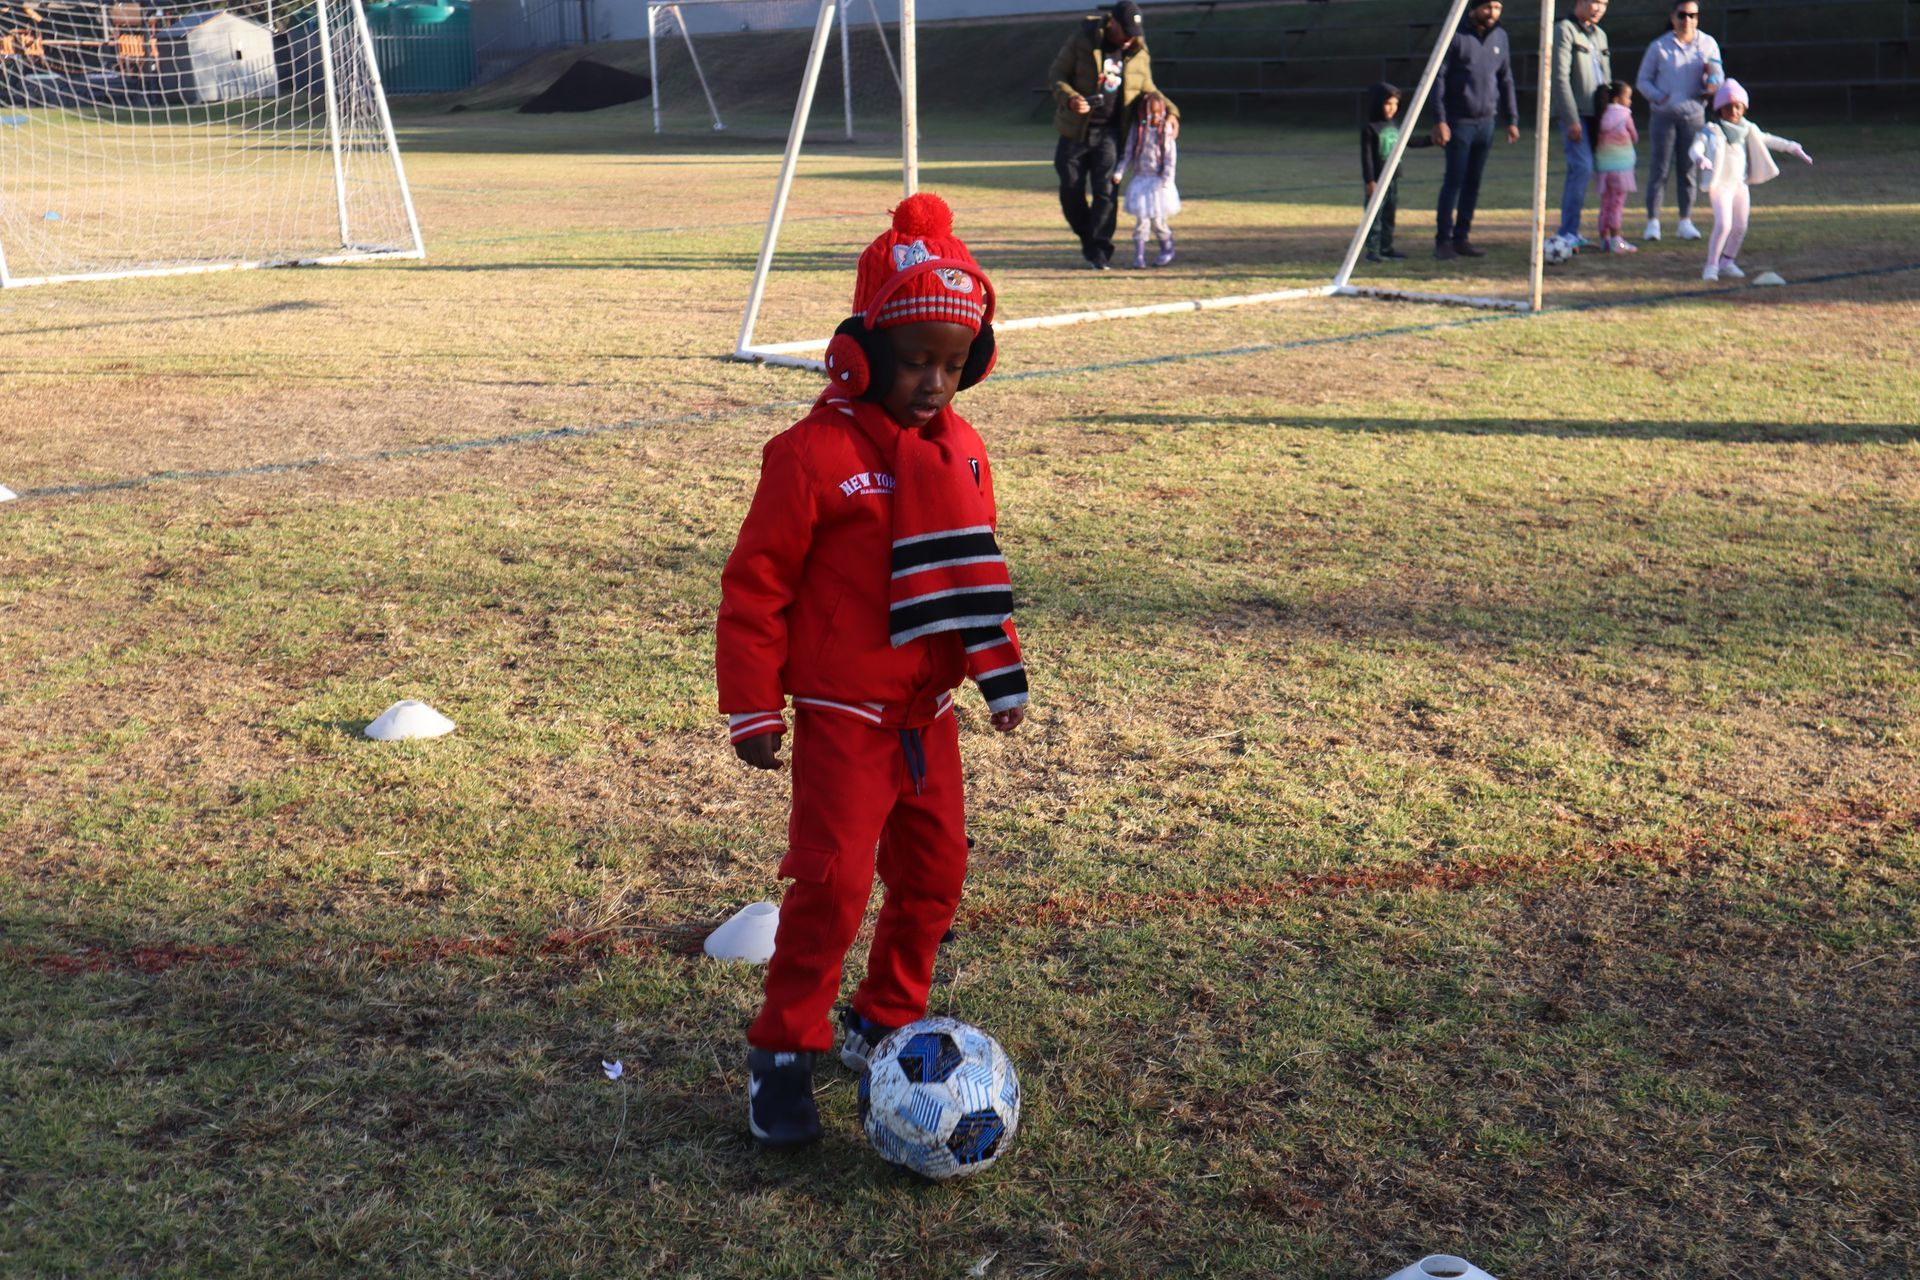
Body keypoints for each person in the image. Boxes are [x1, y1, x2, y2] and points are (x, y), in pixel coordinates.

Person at [717, 192, 1030, 1147]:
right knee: (834, 886)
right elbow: (756, 585)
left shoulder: (963, 451)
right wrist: (752, 705)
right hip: (844, 717)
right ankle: (783, 1051)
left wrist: (992, 669)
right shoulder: (811, 455)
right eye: (913, 361)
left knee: (935, 879)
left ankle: (886, 1019)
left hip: (926, 718)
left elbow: (970, 571)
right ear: (861, 350)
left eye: (952, 362)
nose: (934, 382)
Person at [1048, 0, 1178, 270]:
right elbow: (1057, 75)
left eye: (1135, 33)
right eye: (1126, 31)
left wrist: (1172, 112)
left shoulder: (1138, 51)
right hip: (1076, 130)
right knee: (1070, 187)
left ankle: (1100, 250)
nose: (1130, 38)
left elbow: (1149, 88)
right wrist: (1071, 99)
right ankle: (1088, 237)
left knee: (1106, 191)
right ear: (1113, 23)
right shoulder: (1083, 39)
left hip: (1112, 133)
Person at [1688, 79, 1811, 281]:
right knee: (1723, 224)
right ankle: (1711, 265)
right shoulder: (1712, 130)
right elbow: (1695, 148)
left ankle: (1727, 261)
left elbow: (1769, 139)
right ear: (1720, 109)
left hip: (1739, 184)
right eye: (1729, 107)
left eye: (1738, 107)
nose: (1734, 111)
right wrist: (1700, 158)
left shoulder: (1748, 129)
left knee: (1740, 226)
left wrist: (1793, 147)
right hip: (1721, 186)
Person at [1431, 0, 1520, 261]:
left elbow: (1506, 78)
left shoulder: (1501, 37)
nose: (1493, 13)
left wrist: (1512, 118)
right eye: (1488, 7)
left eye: (1498, 8)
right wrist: (1440, 119)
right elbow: (1438, 78)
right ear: (1473, 8)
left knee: (1473, 183)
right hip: (1459, 122)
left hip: (1487, 122)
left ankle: (1462, 238)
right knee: (1454, 181)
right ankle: (1443, 241)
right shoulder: (1455, 35)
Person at [1636, 0, 1724, 241]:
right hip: (1663, 117)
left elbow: (1718, 75)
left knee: (1688, 169)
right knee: (1659, 168)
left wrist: (1712, 85)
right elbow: (1643, 80)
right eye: (1683, 15)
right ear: (1673, 17)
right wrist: (1659, 98)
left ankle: (1685, 220)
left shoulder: (1708, 44)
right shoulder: (1659, 47)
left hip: (1694, 116)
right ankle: (1653, 222)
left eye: (1693, 16)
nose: (1688, 21)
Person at [1551, 0, 1611, 247]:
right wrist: (1571, 118)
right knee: (1582, 167)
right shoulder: (1565, 29)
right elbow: (1559, 78)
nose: (1598, 8)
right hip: (1577, 115)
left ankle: (1584, 231)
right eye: (1594, 1)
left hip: (1600, 116)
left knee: (1590, 172)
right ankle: (1567, 232)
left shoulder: (1600, 35)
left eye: (1604, 3)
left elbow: (1605, 78)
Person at [1359, 81, 1434, 263]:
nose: (1392, 108)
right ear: (1378, 103)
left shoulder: (1394, 125)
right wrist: (1370, 181)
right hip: (1377, 180)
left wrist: (1432, 140)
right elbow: (1367, 157)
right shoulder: (1370, 128)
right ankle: (1373, 251)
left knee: (1389, 214)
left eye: (1395, 104)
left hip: (1392, 179)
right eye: (1388, 103)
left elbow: (1410, 142)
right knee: (1374, 216)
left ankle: (1387, 247)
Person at [1114, 90, 1180, 267]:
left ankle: (1167, 248)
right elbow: (1128, 153)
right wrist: (1119, 171)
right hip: (1141, 180)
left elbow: (1169, 157)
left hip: (1158, 183)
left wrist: (1167, 179)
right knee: (1141, 221)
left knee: (1158, 221)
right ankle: (1139, 255)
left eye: (1156, 112)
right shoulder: (1138, 130)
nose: (1153, 116)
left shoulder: (1164, 131)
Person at [1592, 80, 1639, 252]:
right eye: (1628, 98)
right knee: (1617, 203)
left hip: (1604, 166)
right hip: (1622, 166)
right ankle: (1616, 239)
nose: (1630, 102)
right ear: (1618, 99)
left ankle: (1604, 238)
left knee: (1605, 203)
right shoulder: (1625, 115)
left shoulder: (1601, 114)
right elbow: (1634, 136)